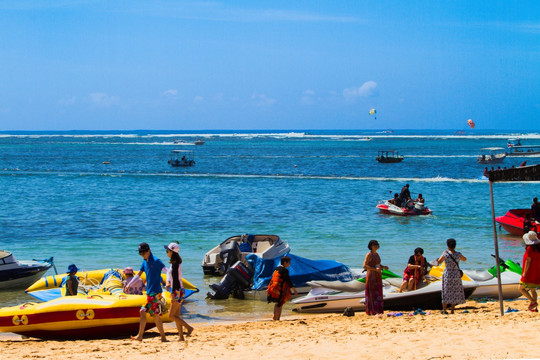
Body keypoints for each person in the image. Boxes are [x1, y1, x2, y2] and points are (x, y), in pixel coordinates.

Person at [128, 242, 168, 342]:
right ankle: (162, 337)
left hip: (156, 293)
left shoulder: (156, 261)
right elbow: (138, 275)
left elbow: (167, 271)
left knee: (143, 311)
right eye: (140, 254)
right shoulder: (144, 262)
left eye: (143, 253)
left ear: (149, 251)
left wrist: (170, 281)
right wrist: (129, 284)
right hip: (150, 292)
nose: (142, 255)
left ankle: (140, 336)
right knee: (155, 315)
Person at [164, 242, 194, 341]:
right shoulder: (175, 263)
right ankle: (181, 336)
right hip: (180, 290)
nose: (166, 252)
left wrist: (173, 292)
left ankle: (189, 328)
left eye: (167, 250)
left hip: (177, 290)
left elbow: (176, 280)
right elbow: (173, 277)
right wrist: (168, 281)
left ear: (172, 252)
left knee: (171, 315)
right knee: (176, 315)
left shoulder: (175, 264)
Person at [437, 238, 466, 314]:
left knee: (446, 291)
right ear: (455, 246)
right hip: (456, 273)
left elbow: (439, 262)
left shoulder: (445, 254)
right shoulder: (458, 254)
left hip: (448, 273)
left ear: (448, 245)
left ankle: (444, 309)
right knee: (454, 291)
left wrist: (442, 253)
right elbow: (465, 259)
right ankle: (452, 310)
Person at [267, 256, 297, 320]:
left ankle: (275, 317)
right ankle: (277, 318)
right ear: (285, 262)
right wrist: (294, 290)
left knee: (277, 303)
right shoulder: (285, 270)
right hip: (278, 289)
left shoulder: (277, 268)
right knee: (280, 304)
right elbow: (288, 281)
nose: (289, 264)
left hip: (272, 288)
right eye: (289, 262)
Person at [363, 240, 388, 316]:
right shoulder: (369, 254)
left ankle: (378, 310)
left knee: (378, 291)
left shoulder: (377, 254)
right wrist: (374, 269)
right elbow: (364, 265)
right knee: (372, 291)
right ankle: (372, 310)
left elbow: (378, 264)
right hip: (371, 274)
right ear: (370, 246)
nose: (376, 246)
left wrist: (383, 267)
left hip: (378, 274)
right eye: (374, 245)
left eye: (377, 244)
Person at [518, 231, 540, 312]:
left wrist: (524, 272)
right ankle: (534, 308)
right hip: (536, 270)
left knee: (520, 288)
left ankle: (533, 302)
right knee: (533, 289)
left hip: (530, 272)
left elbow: (528, 261)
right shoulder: (538, 248)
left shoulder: (529, 249)